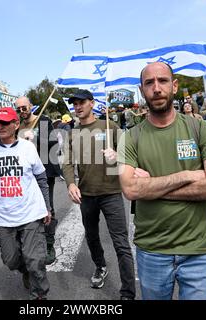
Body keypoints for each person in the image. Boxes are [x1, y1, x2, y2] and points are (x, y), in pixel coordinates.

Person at [118, 62, 206, 300]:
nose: (156, 88)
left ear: (174, 86)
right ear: (141, 89)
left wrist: (151, 187)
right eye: (149, 83)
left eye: (163, 81)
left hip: (199, 250)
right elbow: (129, 189)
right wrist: (187, 176)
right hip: (152, 250)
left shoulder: (201, 128)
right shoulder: (130, 137)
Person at [62, 89, 136, 300]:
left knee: (121, 243)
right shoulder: (72, 133)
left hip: (111, 193)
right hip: (86, 195)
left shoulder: (109, 126)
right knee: (92, 236)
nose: (77, 106)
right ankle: (100, 266)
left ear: (92, 104)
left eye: (82, 102)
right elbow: (66, 162)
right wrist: (70, 184)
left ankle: (128, 293)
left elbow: (130, 152)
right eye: (74, 103)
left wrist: (118, 155)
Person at [0, 107, 51, 300]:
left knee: (36, 260)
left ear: (16, 124)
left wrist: (47, 207)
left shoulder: (28, 148)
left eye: (5, 123)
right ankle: (26, 270)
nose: (0, 127)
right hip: (5, 218)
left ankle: (39, 296)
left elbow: (42, 179)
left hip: (31, 213)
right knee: (10, 261)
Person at [17, 97, 61, 265]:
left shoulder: (43, 120)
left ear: (30, 107)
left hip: (43, 171)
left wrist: (34, 140)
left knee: (47, 206)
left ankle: (49, 245)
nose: (22, 111)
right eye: (19, 109)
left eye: (24, 108)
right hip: (25, 175)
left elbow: (52, 142)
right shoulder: (18, 125)